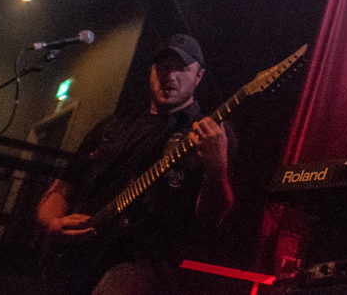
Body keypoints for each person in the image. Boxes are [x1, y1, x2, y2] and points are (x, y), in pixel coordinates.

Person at [37, 34, 234, 295]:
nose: (170, 76)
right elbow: (61, 189)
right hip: (76, 259)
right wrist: (53, 222)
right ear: (150, 71)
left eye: (181, 68)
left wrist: (216, 168)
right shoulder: (111, 127)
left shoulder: (210, 132)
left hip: (143, 263)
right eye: (162, 67)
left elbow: (213, 218)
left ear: (199, 76)